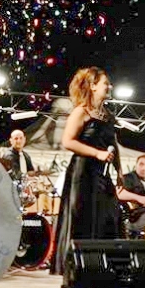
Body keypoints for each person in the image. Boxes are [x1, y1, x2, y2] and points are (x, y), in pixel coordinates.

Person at [51, 67, 123, 277]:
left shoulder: (108, 116)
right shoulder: (81, 111)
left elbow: (113, 144)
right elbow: (68, 141)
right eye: (105, 83)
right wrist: (97, 153)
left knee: (108, 214)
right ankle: (76, 266)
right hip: (83, 172)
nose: (109, 87)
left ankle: (103, 264)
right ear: (92, 86)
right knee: (83, 216)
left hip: (102, 173)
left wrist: (119, 170)